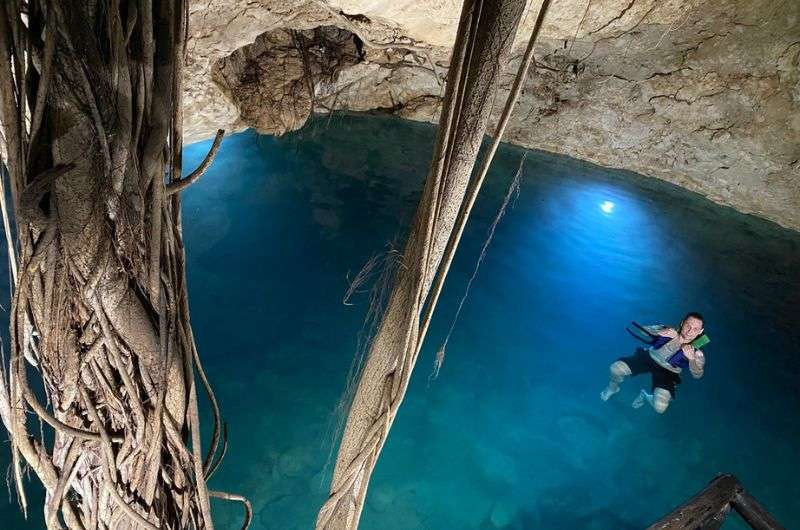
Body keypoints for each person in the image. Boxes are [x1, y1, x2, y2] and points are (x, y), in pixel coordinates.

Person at [600, 312, 707, 414]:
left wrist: (692, 359)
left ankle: (645, 396)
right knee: (615, 369)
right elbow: (638, 330)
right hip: (649, 357)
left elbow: (697, 375)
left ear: (700, 331)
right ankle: (613, 388)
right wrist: (658, 332)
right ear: (682, 322)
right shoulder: (667, 329)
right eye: (688, 325)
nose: (689, 331)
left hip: (669, 372)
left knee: (660, 408)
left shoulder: (697, 353)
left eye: (695, 329)